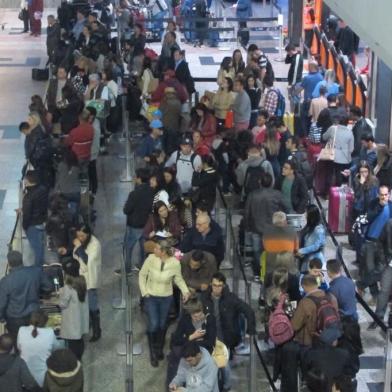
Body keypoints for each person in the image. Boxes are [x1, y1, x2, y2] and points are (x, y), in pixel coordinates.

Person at [200, 272, 256, 391]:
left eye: (219, 285)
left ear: (224, 286)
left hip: (224, 339)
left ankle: (226, 387)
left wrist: (250, 330)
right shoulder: (204, 298)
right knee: (209, 367)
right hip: (207, 337)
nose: (216, 288)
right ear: (211, 284)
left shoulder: (231, 299)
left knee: (224, 367)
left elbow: (248, 311)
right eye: (214, 285)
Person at [139, 240, 190, 367]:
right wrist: (144, 292)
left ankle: (159, 348)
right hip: (151, 296)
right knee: (154, 323)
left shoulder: (174, 263)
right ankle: (153, 353)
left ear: (163, 252)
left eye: (157, 249)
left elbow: (178, 278)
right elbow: (142, 274)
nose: (154, 250)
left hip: (166, 297)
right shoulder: (150, 259)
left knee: (162, 324)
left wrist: (185, 291)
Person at [0, 251, 54, 347]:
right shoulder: (35, 272)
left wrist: (2, 318)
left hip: (14, 319)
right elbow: (49, 287)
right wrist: (39, 292)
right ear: (22, 260)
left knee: (19, 344)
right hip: (34, 315)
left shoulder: (5, 281)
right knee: (36, 340)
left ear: (9, 263)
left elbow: (2, 304)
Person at [244, 173, 287, 278]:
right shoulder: (277, 194)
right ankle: (271, 273)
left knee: (257, 252)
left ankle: (259, 273)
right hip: (273, 230)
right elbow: (285, 209)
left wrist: (247, 227)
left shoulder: (253, 195)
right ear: (272, 182)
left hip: (256, 229)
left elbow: (247, 212)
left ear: (260, 182)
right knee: (272, 252)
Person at [167, 299, 217, 388]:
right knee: (175, 360)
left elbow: (210, 342)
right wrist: (192, 337)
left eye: (200, 315)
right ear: (190, 315)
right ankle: (172, 387)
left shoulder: (210, 319)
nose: (198, 318)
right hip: (187, 351)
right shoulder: (185, 320)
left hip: (203, 351)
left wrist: (189, 341)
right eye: (195, 316)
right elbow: (175, 340)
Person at [357, 185, 392, 301]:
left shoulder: (391, 207)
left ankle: (361, 285)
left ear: (389, 195)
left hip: (383, 244)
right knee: (370, 269)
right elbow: (368, 217)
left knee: (380, 270)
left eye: (386, 195)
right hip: (370, 241)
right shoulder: (373, 204)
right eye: (381, 195)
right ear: (378, 195)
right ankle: (375, 296)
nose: (383, 197)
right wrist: (380, 207)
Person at [71, 224, 102, 342]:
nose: (80, 238)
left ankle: (97, 330)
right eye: (78, 236)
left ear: (88, 234)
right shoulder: (82, 241)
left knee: (93, 306)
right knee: (83, 304)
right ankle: (86, 326)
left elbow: (88, 260)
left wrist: (79, 247)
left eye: (82, 236)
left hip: (90, 278)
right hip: (81, 277)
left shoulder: (95, 244)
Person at [122, 168, 154, 273]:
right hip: (146, 225)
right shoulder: (152, 192)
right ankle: (142, 266)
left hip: (134, 225)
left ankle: (127, 269)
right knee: (143, 248)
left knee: (128, 247)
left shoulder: (134, 194)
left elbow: (126, 210)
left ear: (139, 179)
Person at [58, 258, 89, 359]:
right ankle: (79, 358)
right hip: (80, 319)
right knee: (80, 341)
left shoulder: (68, 287)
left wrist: (59, 294)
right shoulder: (82, 282)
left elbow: (63, 304)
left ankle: (75, 361)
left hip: (72, 323)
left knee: (72, 345)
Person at [17, 310, 57, 387]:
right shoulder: (50, 332)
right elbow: (57, 349)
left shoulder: (21, 330)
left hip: (24, 378)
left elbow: (19, 348)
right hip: (43, 379)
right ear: (46, 321)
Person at [22, 170, 49, 267]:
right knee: (40, 247)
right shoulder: (43, 189)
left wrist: (25, 226)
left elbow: (27, 215)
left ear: (28, 181)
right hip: (42, 222)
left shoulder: (28, 197)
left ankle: (37, 269)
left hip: (32, 225)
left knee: (37, 249)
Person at [21, 112, 54, 186]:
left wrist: (28, 156)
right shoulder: (39, 128)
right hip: (43, 156)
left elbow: (30, 148)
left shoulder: (34, 132)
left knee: (43, 173)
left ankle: (46, 185)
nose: (28, 121)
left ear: (35, 120)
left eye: (30, 119)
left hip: (38, 158)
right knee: (47, 171)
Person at [322, 113, 354, 187]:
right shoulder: (350, 133)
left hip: (331, 155)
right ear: (347, 123)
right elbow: (351, 149)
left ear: (339, 122)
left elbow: (324, 137)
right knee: (339, 174)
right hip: (343, 158)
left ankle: (328, 193)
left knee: (329, 173)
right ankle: (338, 193)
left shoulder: (333, 128)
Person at [297, 204, 326, 272]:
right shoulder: (309, 226)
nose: (305, 214)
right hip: (306, 258)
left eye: (306, 212)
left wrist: (301, 251)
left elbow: (316, 246)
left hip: (314, 261)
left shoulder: (319, 229)